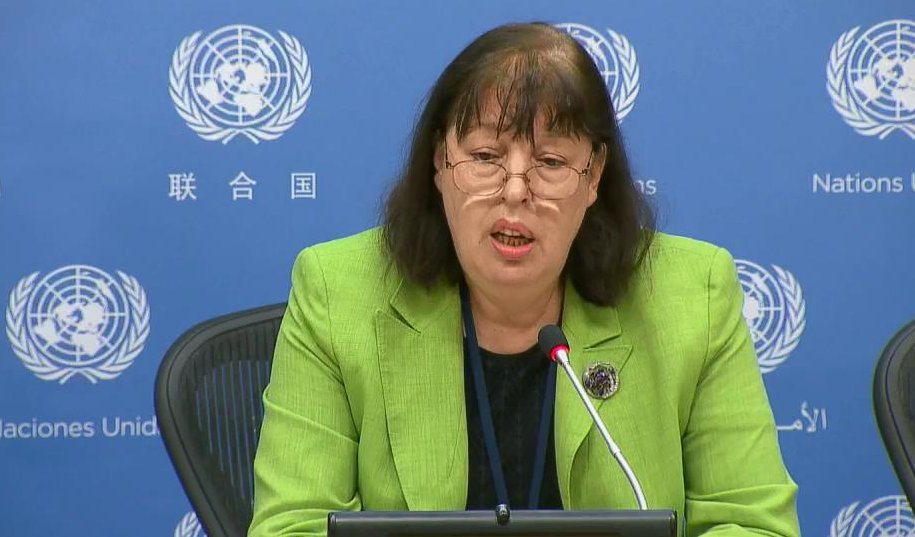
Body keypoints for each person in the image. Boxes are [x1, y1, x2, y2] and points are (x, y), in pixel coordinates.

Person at [248, 22, 800, 537]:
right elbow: (292, 526)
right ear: (440, 162)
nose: (515, 190)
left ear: (594, 175)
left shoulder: (693, 294)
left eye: (551, 162)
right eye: (486, 156)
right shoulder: (337, 291)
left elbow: (751, 522)